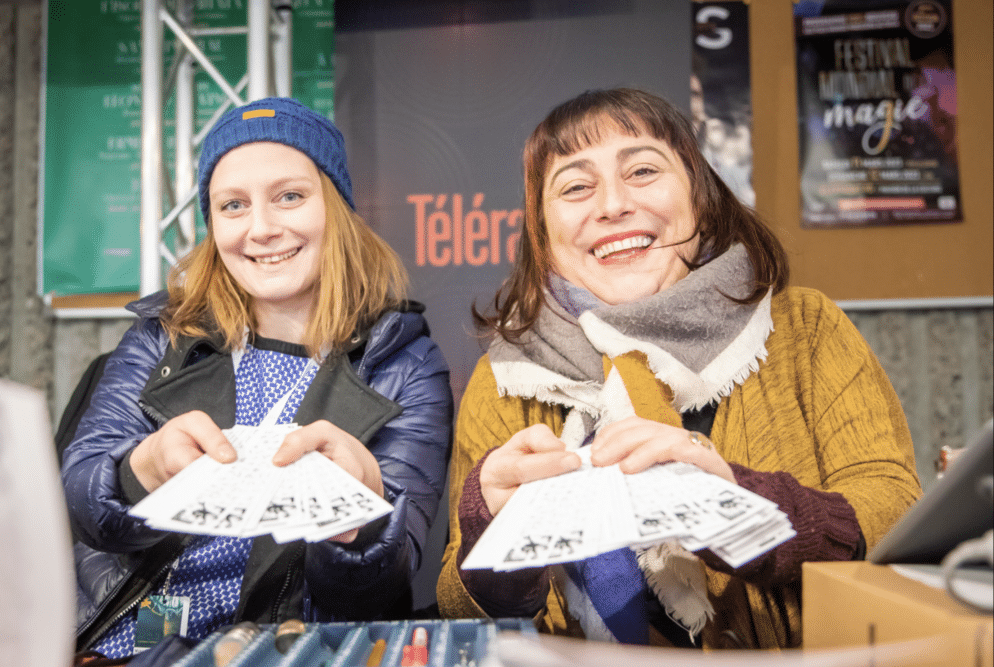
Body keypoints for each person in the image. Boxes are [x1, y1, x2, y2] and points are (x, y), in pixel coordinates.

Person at [436, 89, 920, 649]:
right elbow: (457, 605)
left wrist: (734, 502)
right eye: (576, 186)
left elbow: (895, 513)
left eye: (642, 171)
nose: (612, 204)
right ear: (543, 232)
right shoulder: (506, 377)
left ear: (700, 196)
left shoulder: (806, 327)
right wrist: (490, 530)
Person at [63, 97, 453, 657]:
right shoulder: (163, 334)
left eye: (289, 196)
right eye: (233, 205)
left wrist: (362, 517)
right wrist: (142, 469)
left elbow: (374, 590)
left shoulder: (403, 363)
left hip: (292, 647)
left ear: (336, 208)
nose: (262, 229)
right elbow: (81, 504)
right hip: (144, 635)